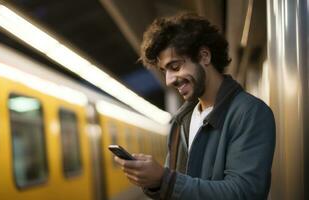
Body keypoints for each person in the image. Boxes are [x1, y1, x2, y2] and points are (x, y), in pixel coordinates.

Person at [114, 12, 276, 200]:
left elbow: (244, 193)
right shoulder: (181, 121)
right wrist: (155, 182)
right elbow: (176, 190)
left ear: (204, 56)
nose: (168, 80)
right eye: (164, 71)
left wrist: (165, 179)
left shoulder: (250, 113)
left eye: (175, 67)